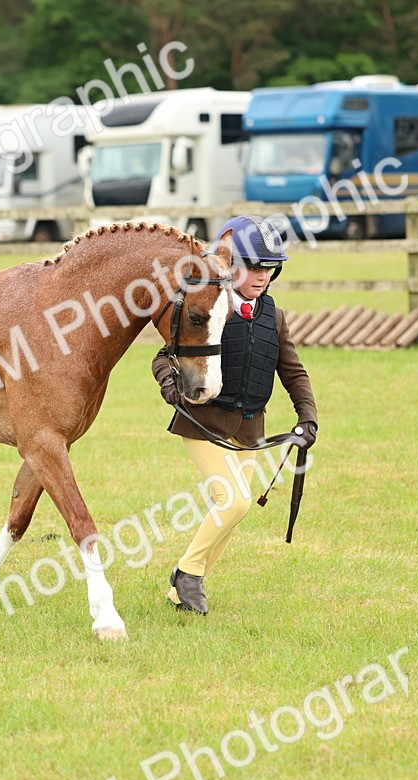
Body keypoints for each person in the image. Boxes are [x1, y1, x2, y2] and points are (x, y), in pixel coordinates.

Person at [152, 215, 318, 614]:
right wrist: (168, 383)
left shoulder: (273, 316)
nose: (261, 276)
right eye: (253, 267)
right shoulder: (212, 308)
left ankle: (183, 592)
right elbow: (163, 356)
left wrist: (307, 414)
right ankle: (188, 573)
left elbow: (292, 369)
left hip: (250, 429)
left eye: (268, 268)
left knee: (231, 511)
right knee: (235, 502)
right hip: (204, 422)